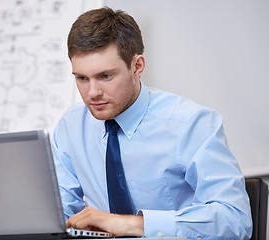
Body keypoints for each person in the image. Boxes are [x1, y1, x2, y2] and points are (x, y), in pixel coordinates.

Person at [51, 7, 252, 239]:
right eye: (82, 78)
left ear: (137, 66)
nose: (92, 93)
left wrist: (133, 224)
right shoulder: (72, 125)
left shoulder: (191, 124)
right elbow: (59, 212)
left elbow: (235, 221)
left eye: (105, 76)